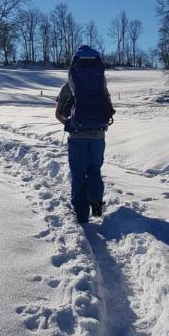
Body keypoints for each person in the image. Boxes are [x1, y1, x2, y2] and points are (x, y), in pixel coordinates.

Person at [55, 46, 115, 224]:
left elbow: (58, 113)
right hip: (98, 135)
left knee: (78, 173)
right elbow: (110, 109)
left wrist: (68, 123)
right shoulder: (100, 84)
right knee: (95, 169)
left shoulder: (69, 86)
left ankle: (81, 215)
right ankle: (96, 201)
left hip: (77, 136)